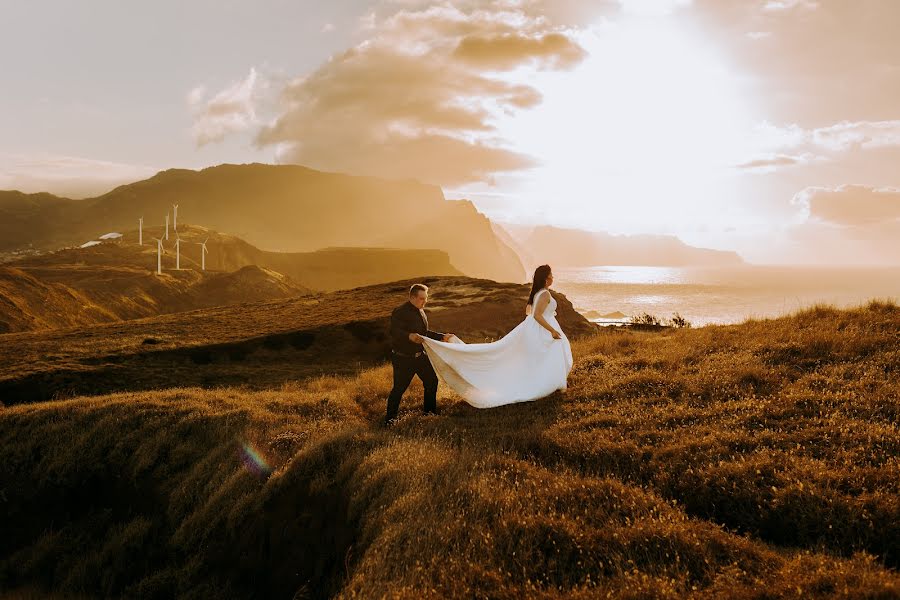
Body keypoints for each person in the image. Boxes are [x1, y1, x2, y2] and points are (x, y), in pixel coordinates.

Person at [421, 265, 573, 408]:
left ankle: (551, 382)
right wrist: (551, 330)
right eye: (551, 275)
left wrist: (547, 317)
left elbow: (528, 312)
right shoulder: (544, 293)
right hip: (543, 330)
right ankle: (547, 384)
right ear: (546, 279)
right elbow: (537, 315)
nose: (553, 278)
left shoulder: (537, 293)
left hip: (537, 329)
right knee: (550, 354)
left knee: (545, 357)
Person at [384, 283, 454, 425]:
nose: (425, 301)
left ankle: (429, 414)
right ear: (413, 297)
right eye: (422, 298)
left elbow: (424, 333)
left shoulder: (421, 311)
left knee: (432, 381)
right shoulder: (400, 311)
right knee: (399, 389)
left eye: (426, 298)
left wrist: (441, 336)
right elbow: (394, 331)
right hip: (403, 359)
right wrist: (409, 336)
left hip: (420, 356)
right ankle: (389, 421)